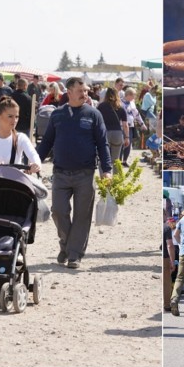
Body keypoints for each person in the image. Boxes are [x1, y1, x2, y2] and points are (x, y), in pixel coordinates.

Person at [37, 77, 112, 269]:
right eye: (81, 91)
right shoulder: (58, 115)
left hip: (85, 174)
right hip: (60, 173)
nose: (85, 94)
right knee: (58, 212)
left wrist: (107, 170)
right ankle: (66, 245)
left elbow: (103, 144)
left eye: (86, 91)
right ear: (68, 92)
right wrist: (35, 162)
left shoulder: (94, 114)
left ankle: (74, 254)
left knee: (82, 216)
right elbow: (46, 142)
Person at [0, 96, 41, 172]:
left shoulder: (20, 138)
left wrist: (36, 164)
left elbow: (33, 155)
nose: (14, 120)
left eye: (16, 117)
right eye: (10, 116)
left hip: (14, 182)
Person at [96, 87, 129, 173]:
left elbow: (96, 122)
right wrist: (127, 137)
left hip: (105, 133)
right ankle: (116, 181)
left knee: (103, 158)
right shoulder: (121, 108)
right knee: (116, 160)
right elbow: (125, 125)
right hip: (117, 134)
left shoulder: (101, 106)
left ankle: (104, 180)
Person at [120, 87, 146, 166]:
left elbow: (137, 114)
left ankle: (124, 161)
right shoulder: (120, 103)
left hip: (130, 126)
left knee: (128, 143)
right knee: (121, 143)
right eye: (133, 95)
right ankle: (118, 160)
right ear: (129, 95)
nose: (134, 97)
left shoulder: (132, 103)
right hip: (121, 126)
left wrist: (142, 123)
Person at [163, 220, 175, 312]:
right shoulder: (166, 227)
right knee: (166, 282)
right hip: (165, 257)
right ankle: (166, 304)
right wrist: (172, 261)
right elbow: (170, 245)